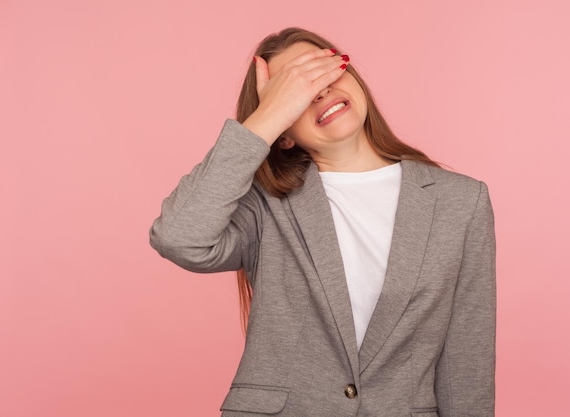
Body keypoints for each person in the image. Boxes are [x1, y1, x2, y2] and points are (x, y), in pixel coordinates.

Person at [150, 27, 496, 417]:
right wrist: (265, 120)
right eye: (294, 90)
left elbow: (467, 359)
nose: (319, 92)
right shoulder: (265, 207)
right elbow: (179, 238)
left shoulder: (461, 202)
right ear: (283, 134)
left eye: (323, 73)